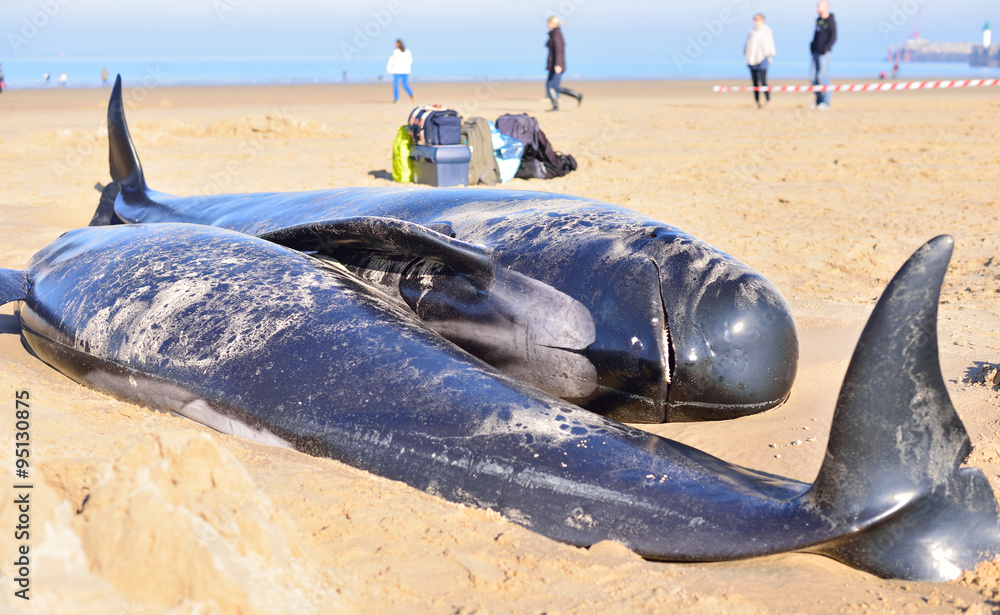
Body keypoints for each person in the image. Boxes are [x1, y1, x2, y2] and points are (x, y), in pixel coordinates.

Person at [544, 16, 582, 111]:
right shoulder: (553, 34)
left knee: (553, 87)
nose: (547, 25)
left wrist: (558, 64)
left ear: (554, 24)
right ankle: (556, 105)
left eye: (549, 23)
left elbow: (559, 51)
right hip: (553, 65)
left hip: (557, 65)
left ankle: (575, 96)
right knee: (550, 86)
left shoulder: (557, 34)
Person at [744, 14, 776, 109]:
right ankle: (756, 102)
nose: (755, 21)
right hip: (752, 59)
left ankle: (768, 101)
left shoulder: (767, 31)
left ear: (762, 20)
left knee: (763, 81)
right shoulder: (752, 32)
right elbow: (748, 46)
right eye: (754, 19)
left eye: (757, 19)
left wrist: (768, 55)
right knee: (755, 83)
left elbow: (769, 45)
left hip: (763, 59)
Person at [809, 1, 837, 110]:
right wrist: (812, 46)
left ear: (826, 7)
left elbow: (834, 37)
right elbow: (816, 35)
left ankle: (826, 102)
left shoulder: (831, 20)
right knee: (813, 77)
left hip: (825, 54)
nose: (817, 7)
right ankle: (818, 100)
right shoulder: (818, 20)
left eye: (819, 5)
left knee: (823, 77)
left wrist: (824, 49)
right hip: (815, 53)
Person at [386, 39, 414, 104]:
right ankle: (397, 99)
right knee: (396, 85)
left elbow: (410, 61)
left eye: (396, 43)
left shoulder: (405, 51)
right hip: (398, 70)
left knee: (404, 84)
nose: (395, 45)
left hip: (402, 70)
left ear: (399, 44)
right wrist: (389, 68)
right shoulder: (397, 51)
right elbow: (391, 60)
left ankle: (411, 94)